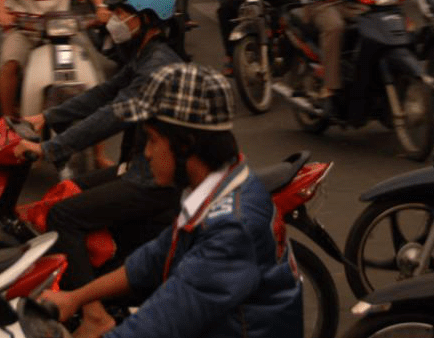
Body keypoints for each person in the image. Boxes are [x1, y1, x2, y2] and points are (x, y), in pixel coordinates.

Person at [41, 63, 302, 338]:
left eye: (152, 140)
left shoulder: (231, 230)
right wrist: (76, 298)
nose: (147, 153)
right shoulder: (220, 187)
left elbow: (162, 321)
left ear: (185, 143)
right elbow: (154, 258)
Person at [16, 0, 185, 338]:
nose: (111, 18)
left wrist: (48, 149)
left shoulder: (156, 67)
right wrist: (44, 118)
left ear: (145, 17)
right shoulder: (145, 55)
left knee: (64, 216)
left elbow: (111, 115)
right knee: (69, 191)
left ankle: (93, 314)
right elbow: (103, 93)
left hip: (154, 177)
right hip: (139, 165)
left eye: (120, 12)